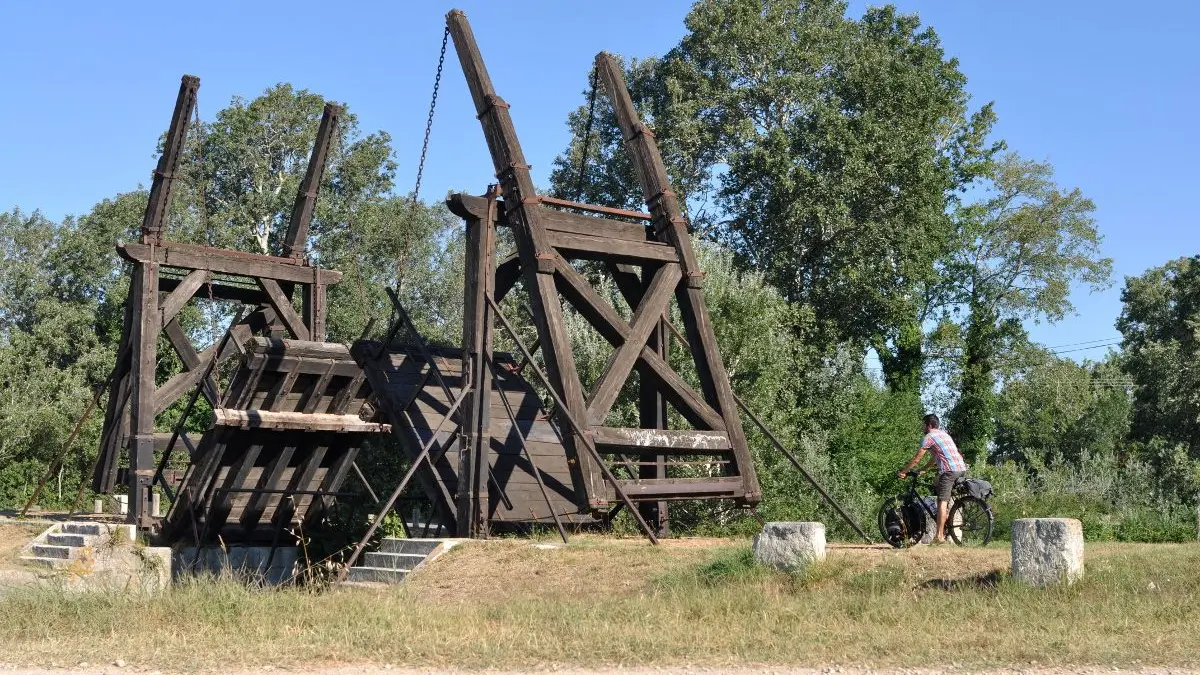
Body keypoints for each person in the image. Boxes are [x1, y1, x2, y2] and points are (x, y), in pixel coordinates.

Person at [897, 414, 968, 543]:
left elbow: (916, 459)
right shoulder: (944, 434)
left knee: (942, 501)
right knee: (935, 483)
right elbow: (936, 457)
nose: (922, 427)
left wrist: (904, 471)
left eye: (923, 424)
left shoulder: (928, 437)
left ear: (929, 425)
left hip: (949, 470)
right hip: (961, 468)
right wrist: (924, 469)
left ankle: (939, 536)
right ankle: (946, 517)